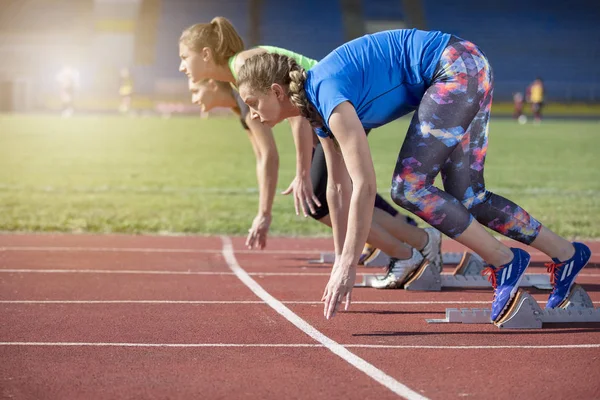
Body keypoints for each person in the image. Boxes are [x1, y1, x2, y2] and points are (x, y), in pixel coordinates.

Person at [235, 29, 591, 320]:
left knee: (410, 188)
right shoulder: (314, 107)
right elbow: (337, 189)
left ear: (277, 92)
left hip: (454, 68)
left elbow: (364, 184)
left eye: (252, 103)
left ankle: (505, 261)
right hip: (465, 63)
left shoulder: (326, 95)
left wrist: (347, 263)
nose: (251, 115)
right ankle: (565, 253)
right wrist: (340, 260)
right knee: (469, 195)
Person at [178, 18, 443, 279]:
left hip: (336, 107)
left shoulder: (245, 65)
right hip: (328, 112)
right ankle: (412, 240)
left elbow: (295, 108)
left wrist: (302, 173)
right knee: (330, 197)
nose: (181, 67)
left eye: (184, 57)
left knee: (319, 200)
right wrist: (267, 209)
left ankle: (410, 248)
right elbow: (267, 148)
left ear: (205, 54)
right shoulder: (239, 74)